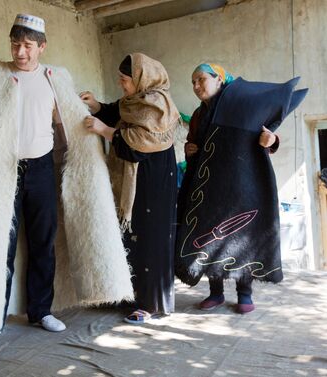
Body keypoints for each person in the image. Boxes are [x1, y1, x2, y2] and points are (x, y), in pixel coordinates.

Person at [175, 63, 307, 314]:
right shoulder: (198, 115)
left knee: (242, 236)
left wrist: (272, 140)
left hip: (241, 182)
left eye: (201, 79)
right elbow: (194, 144)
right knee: (210, 234)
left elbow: (267, 134)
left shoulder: (244, 103)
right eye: (192, 82)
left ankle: (245, 294)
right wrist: (189, 149)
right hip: (210, 186)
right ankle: (215, 293)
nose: (196, 86)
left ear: (219, 79)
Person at [0, 14, 66, 348]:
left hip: (42, 167)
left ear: (42, 47)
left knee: (44, 240)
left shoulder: (52, 79)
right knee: (1, 245)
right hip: (2, 167)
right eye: (16, 44)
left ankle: (41, 310)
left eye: (28, 45)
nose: (20, 52)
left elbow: (64, 122)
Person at [80, 53, 179, 324]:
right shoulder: (135, 101)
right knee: (132, 235)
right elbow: (119, 111)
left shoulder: (158, 105)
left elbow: (137, 143)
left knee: (151, 239)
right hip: (138, 182)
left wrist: (103, 131)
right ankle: (130, 294)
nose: (122, 85)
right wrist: (97, 106)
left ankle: (151, 303)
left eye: (125, 80)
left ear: (140, 78)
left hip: (154, 182)